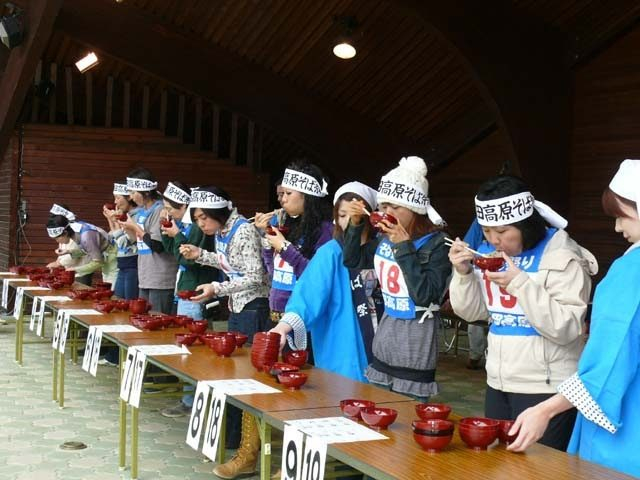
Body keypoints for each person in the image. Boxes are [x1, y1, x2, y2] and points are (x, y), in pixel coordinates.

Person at [506, 159, 640, 477]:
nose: (618, 227)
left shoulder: (632, 271)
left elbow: (609, 361)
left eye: (623, 215)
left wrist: (545, 409)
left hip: (626, 424)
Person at [448, 174, 598, 451]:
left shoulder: (562, 255)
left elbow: (567, 328)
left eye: (503, 231)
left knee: (540, 467)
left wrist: (520, 283)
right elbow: (474, 313)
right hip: (498, 381)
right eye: (486, 231)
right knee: (498, 463)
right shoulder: (486, 252)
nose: (494, 240)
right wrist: (463, 273)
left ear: (526, 224)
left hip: (547, 387)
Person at [215, 160, 333, 480]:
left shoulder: (325, 232)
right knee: (258, 384)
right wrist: (269, 244)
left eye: (288, 193)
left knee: (301, 393)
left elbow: (316, 281)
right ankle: (247, 455)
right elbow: (273, 272)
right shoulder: (286, 223)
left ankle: (295, 466)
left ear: (307, 195)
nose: (281, 199)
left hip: (304, 325)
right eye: (281, 193)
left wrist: (286, 248)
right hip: (274, 318)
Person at [343, 156, 451, 400]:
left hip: (416, 339)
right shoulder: (384, 238)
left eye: (395, 207)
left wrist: (403, 247)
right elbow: (352, 260)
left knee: (407, 410)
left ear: (415, 208)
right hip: (386, 333)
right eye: (383, 207)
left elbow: (425, 296)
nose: (387, 214)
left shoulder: (437, 244)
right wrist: (355, 225)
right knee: (379, 407)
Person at [179, 186, 270, 454]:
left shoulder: (243, 230)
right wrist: (200, 255)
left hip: (254, 307)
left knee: (246, 374)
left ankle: (247, 442)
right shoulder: (222, 231)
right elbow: (230, 264)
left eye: (203, 217)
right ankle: (232, 436)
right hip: (238, 305)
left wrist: (217, 288)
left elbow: (255, 276)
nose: (201, 224)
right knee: (232, 369)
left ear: (217, 212)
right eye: (197, 219)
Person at [270, 181, 383, 382]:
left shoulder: (383, 249)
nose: (348, 221)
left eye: (354, 214)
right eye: (342, 215)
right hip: (344, 343)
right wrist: (283, 327)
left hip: (382, 340)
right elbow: (309, 294)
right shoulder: (330, 253)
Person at [158, 181, 219, 418]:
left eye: (169, 208)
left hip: (194, 292)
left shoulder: (195, 228)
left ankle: (190, 400)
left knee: (192, 348)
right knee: (190, 346)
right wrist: (168, 232)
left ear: (183, 206)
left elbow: (187, 260)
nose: (166, 212)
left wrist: (177, 235)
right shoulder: (187, 226)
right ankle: (191, 398)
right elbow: (173, 252)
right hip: (185, 290)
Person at [118, 167, 178, 314]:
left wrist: (135, 227)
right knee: (143, 318)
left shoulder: (160, 210)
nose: (131, 197)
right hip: (145, 275)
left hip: (160, 277)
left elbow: (158, 245)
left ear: (145, 192)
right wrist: (127, 226)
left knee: (157, 319)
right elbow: (138, 240)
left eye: (133, 192)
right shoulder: (142, 211)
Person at [46, 204, 115, 286]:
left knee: (113, 288)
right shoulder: (75, 229)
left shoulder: (86, 235)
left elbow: (98, 262)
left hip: (113, 258)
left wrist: (75, 270)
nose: (57, 241)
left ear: (65, 232)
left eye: (57, 238)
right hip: (108, 256)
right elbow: (87, 250)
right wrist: (69, 252)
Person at [102, 182, 140, 300]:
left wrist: (115, 221)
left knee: (129, 303)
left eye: (118, 198)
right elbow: (115, 236)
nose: (115, 202)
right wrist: (111, 220)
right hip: (123, 265)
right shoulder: (126, 215)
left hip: (133, 264)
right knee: (117, 300)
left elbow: (124, 241)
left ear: (129, 197)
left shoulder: (136, 215)